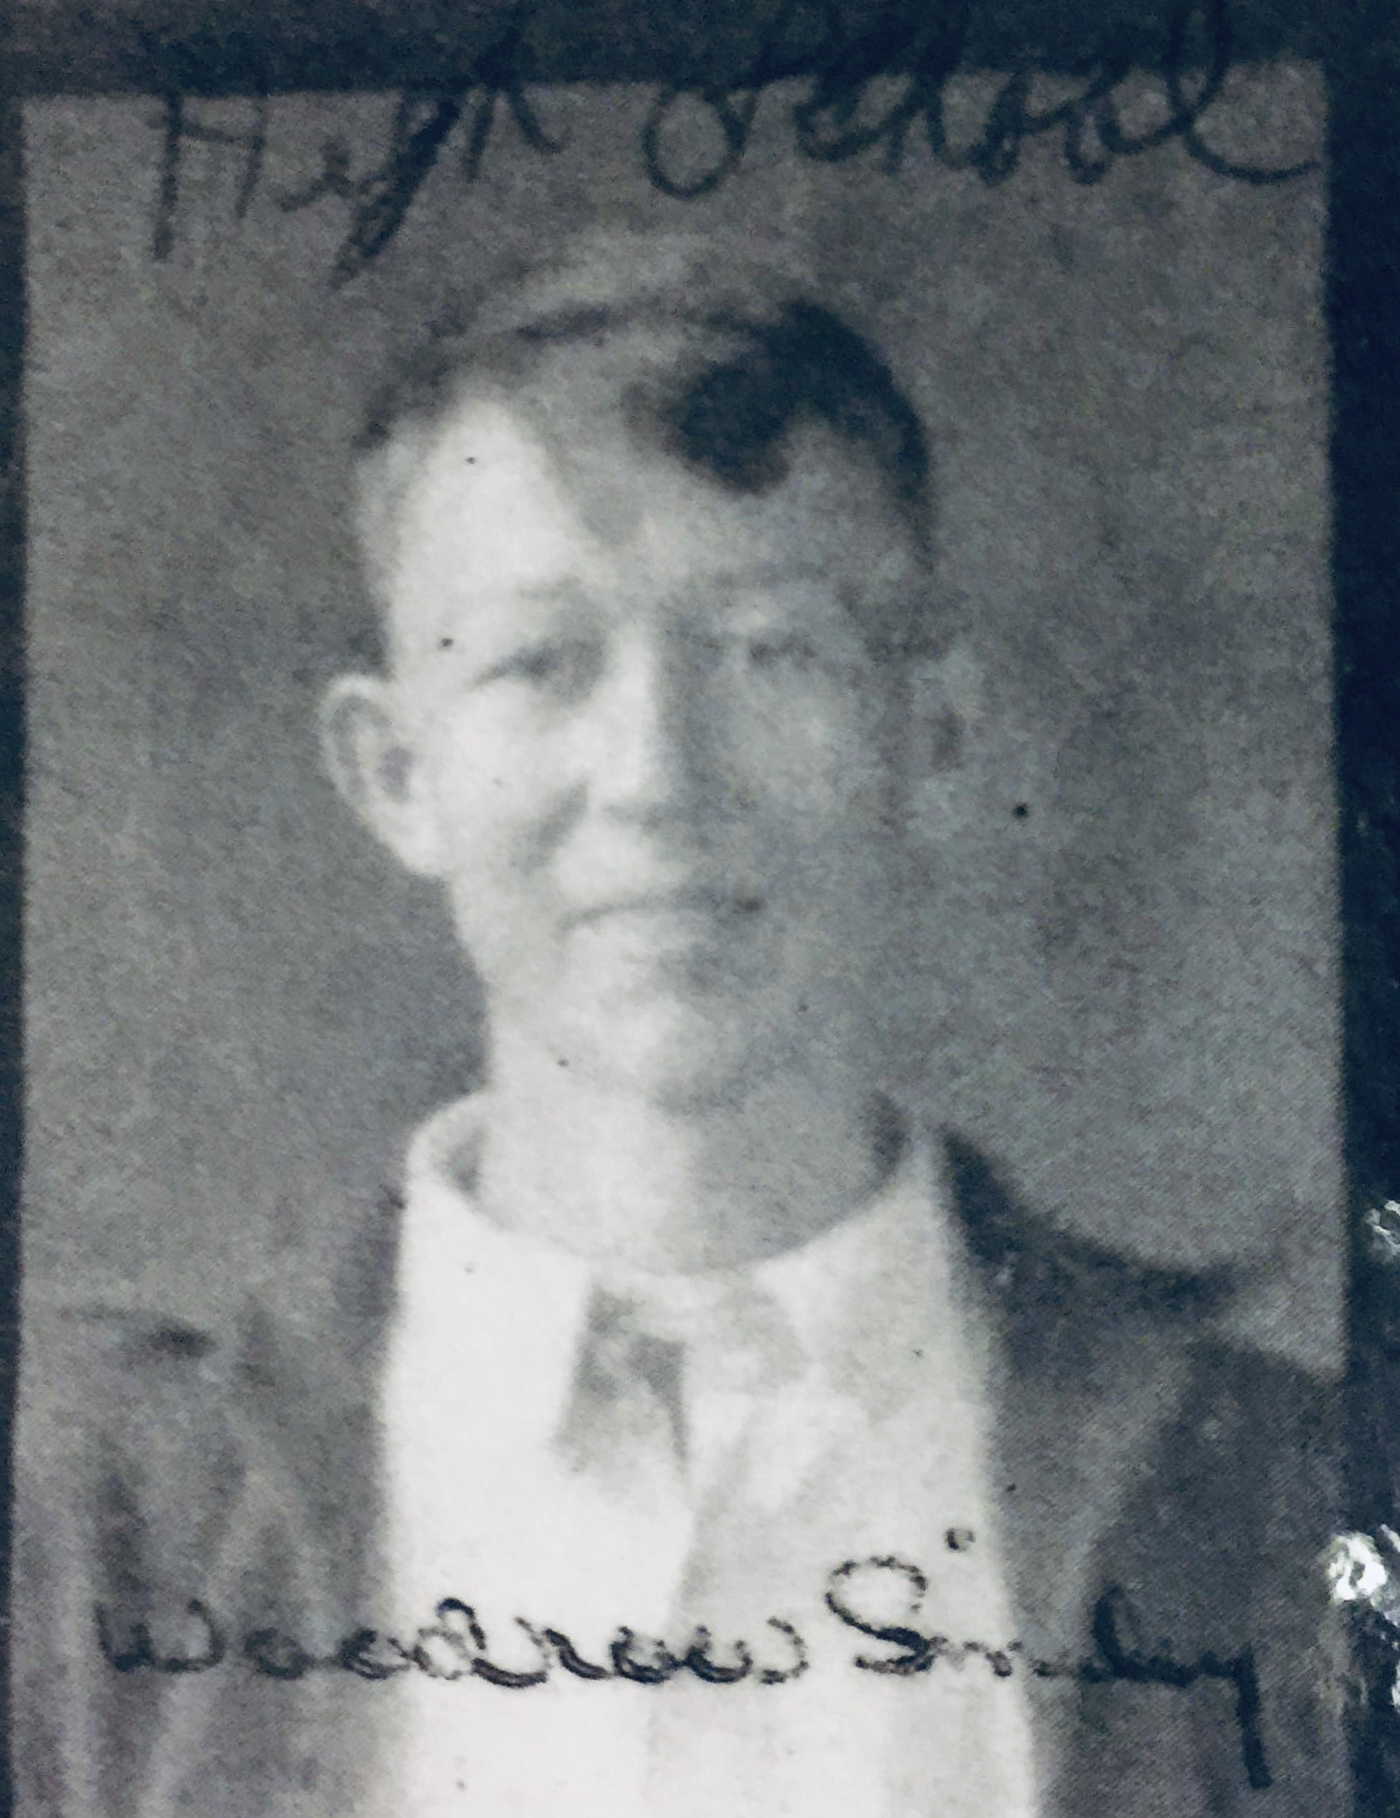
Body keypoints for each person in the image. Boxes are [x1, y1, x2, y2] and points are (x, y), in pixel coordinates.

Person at [15, 235, 1346, 1817]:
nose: (657, 774)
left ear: (930, 736)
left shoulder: (1286, 1501)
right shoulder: (93, 1518)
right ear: (396, 771)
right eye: (538, 662)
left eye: (768, 649)